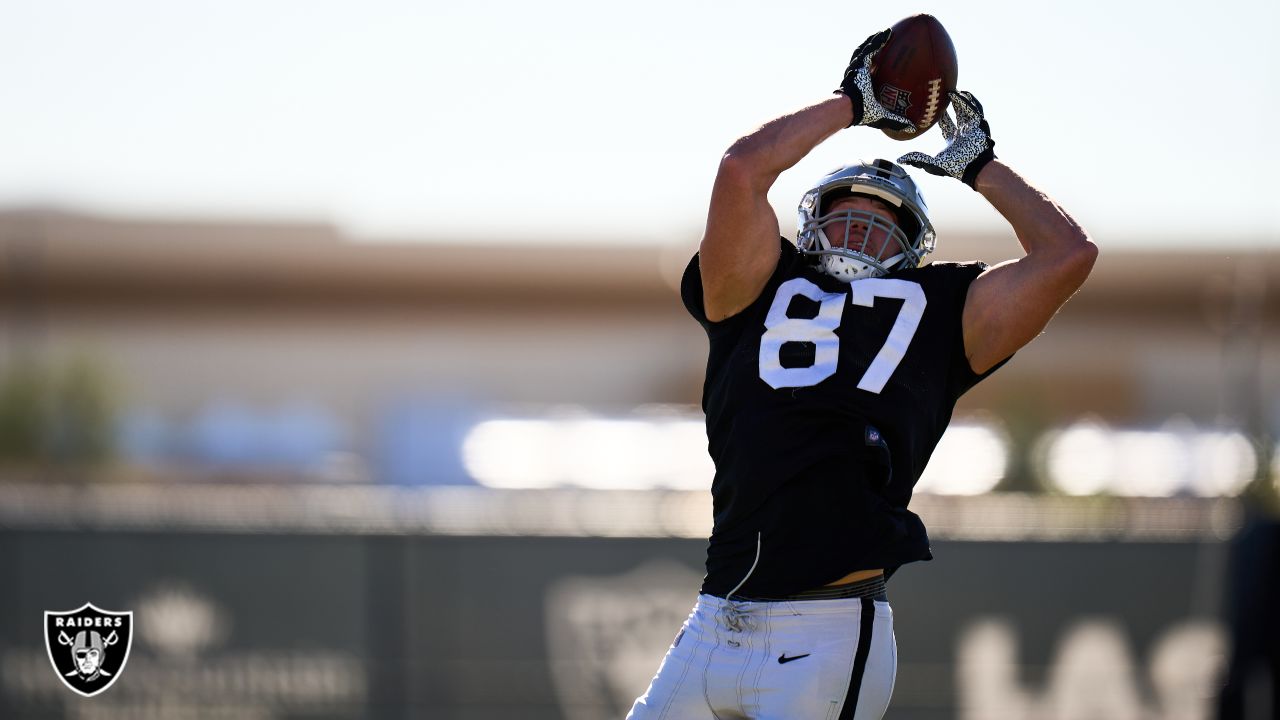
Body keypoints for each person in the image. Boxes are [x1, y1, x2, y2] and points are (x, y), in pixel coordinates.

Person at [627, 28, 1098, 720]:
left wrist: (979, 166)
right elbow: (741, 169)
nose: (857, 234)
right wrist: (852, 102)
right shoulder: (754, 283)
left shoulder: (939, 311)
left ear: (913, 248)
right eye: (845, 216)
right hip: (713, 619)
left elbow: (1067, 256)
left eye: (880, 225)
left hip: (824, 633)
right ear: (811, 223)